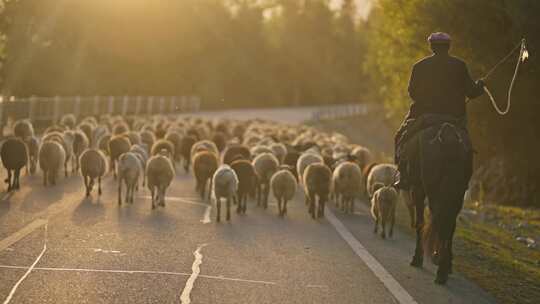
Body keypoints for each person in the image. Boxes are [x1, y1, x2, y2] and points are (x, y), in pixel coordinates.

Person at [394, 32, 485, 190]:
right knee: (467, 146)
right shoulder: (460, 65)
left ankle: (403, 177)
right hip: (455, 119)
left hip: (424, 117)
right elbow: (472, 92)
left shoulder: (419, 66)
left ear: (431, 46)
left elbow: (412, 92)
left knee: (400, 138)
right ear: (449, 47)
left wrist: (427, 100)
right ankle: (465, 180)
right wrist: (481, 86)